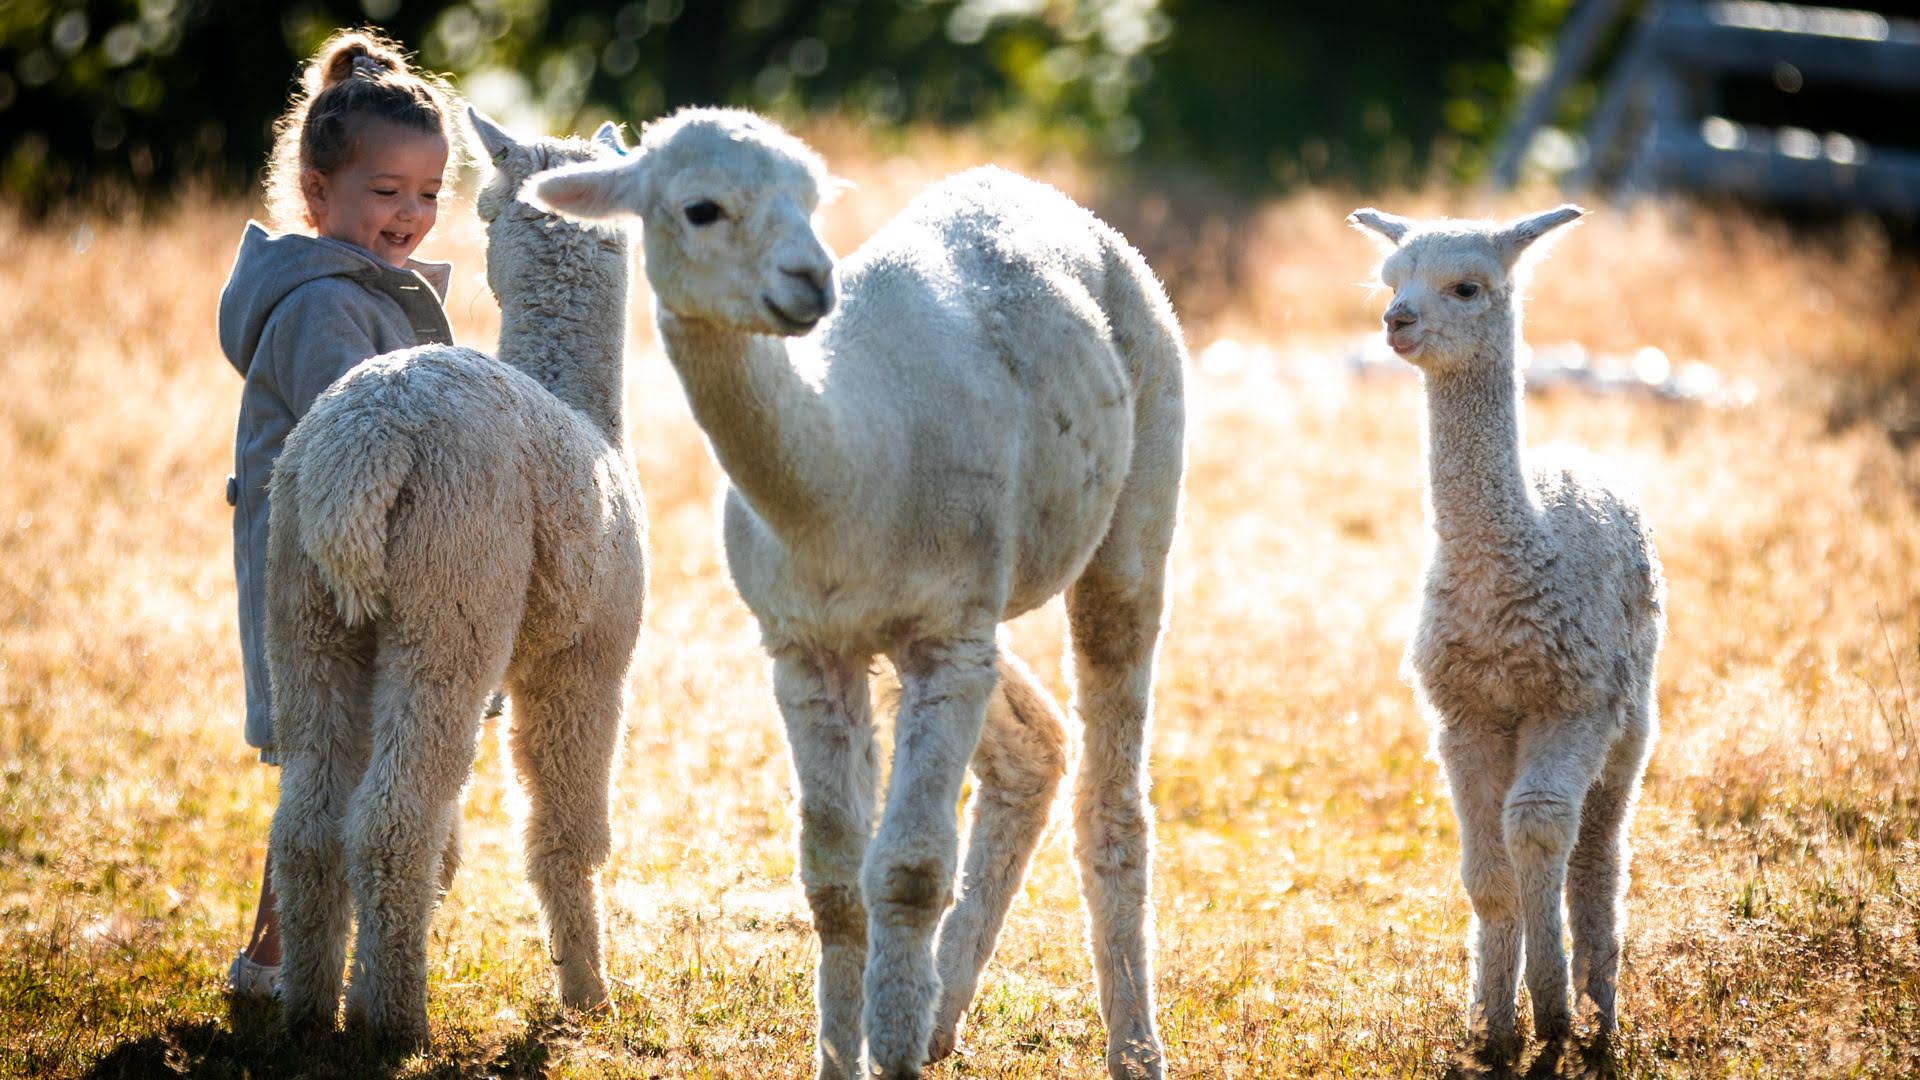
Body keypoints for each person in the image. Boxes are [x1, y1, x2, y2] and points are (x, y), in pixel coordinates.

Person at [215, 27, 460, 996]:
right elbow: (355, 440)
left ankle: (297, 950)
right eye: (387, 191)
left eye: (430, 194)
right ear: (319, 193)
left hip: (367, 550)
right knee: (327, 759)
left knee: (350, 757)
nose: (412, 214)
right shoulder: (324, 305)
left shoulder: (369, 290)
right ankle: (276, 957)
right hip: (319, 560)